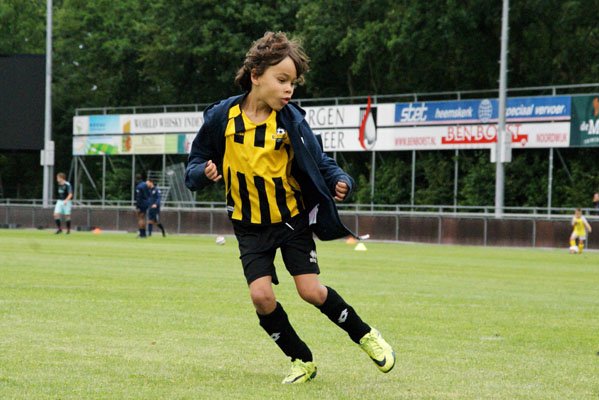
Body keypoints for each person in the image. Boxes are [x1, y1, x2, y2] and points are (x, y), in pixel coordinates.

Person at [185, 31, 395, 384]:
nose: (288, 90)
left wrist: (340, 178)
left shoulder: (291, 121)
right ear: (256, 75)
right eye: (282, 80)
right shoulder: (222, 117)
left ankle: (365, 335)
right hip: (248, 225)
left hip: (291, 220)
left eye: (293, 83)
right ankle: (301, 360)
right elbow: (194, 163)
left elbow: (320, 161)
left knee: (310, 291)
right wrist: (202, 173)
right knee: (261, 297)